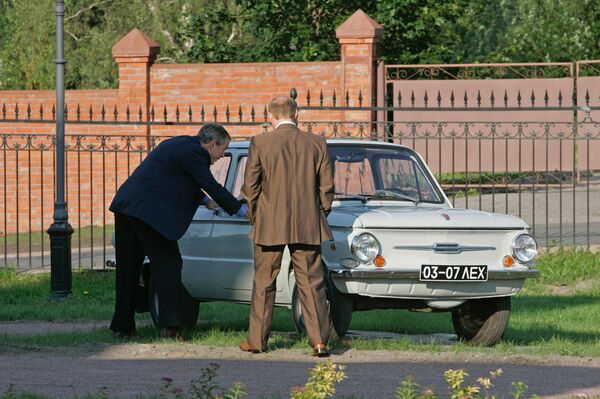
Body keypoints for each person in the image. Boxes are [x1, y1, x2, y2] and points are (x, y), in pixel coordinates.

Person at [109, 123, 247, 339]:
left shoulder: (182, 144)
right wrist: (240, 210)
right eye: (223, 149)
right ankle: (170, 326)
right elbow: (209, 183)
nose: (221, 155)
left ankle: (122, 326)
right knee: (169, 265)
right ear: (212, 144)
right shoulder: (195, 153)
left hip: (128, 206)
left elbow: (174, 178)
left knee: (128, 268)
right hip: (147, 212)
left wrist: (203, 200)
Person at [239, 96, 335, 357]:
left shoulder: (261, 142)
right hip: (308, 222)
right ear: (297, 114)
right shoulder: (317, 142)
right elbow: (327, 188)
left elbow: (250, 188)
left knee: (263, 281)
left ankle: (257, 341)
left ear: (270, 116)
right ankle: (319, 342)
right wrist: (319, 212)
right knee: (312, 282)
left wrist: (256, 217)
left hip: (269, 222)